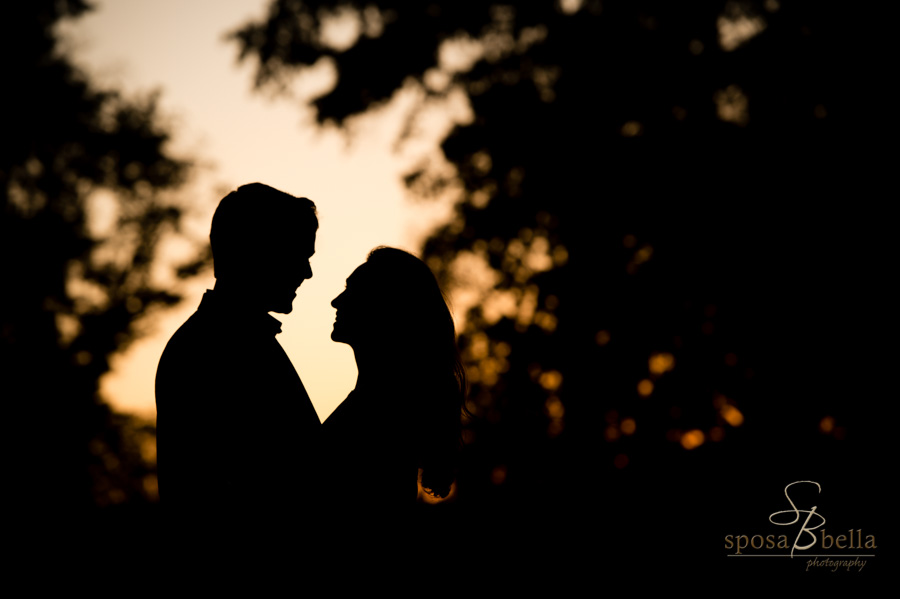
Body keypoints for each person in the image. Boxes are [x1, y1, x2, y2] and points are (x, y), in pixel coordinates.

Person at [154, 183, 321, 563]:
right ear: (259, 251)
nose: (307, 272)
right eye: (298, 254)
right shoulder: (216, 349)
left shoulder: (235, 341)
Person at [323, 247, 468, 550]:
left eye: (352, 290)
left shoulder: (381, 415)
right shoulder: (383, 405)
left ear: (386, 308)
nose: (336, 300)